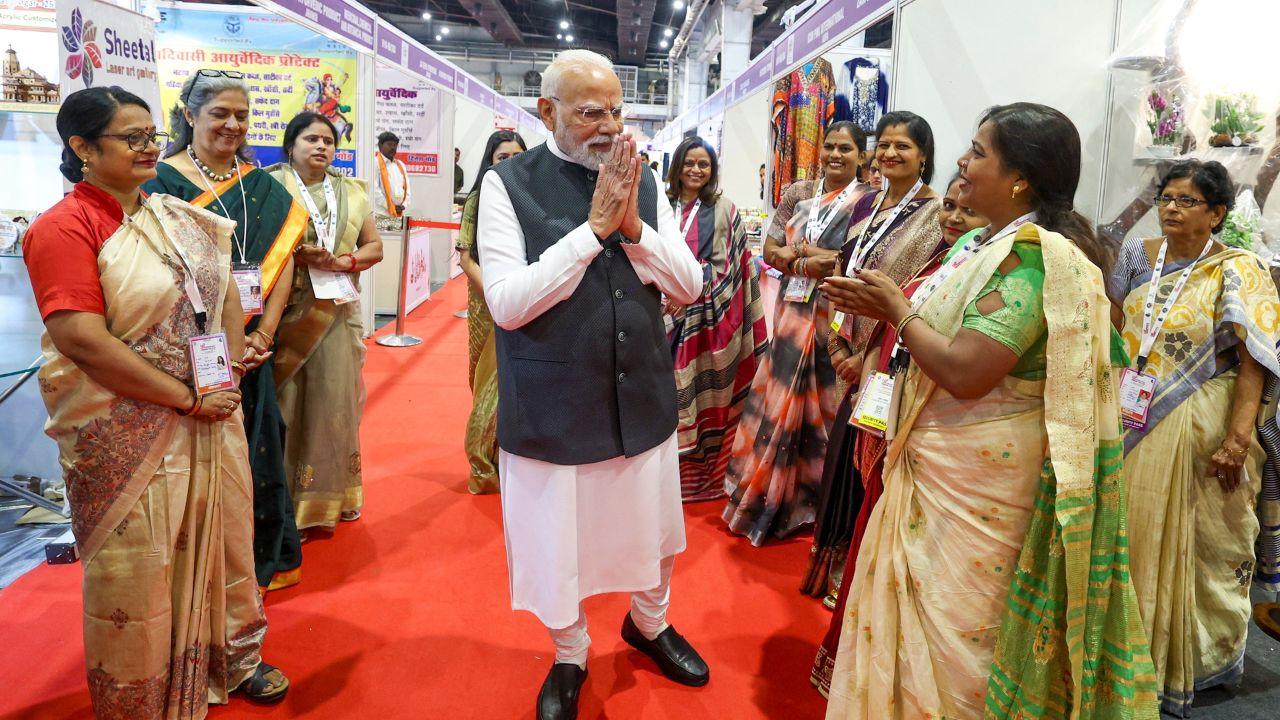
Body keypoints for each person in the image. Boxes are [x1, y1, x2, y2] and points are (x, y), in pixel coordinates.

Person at [820, 102, 1159, 719]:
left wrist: (898, 311)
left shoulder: (1034, 260)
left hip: (981, 488)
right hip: (944, 469)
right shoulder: (985, 244)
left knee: (963, 633)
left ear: (1020, 178)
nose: (961, 162)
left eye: (978, 152)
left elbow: (967, 371)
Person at [24, 86, 288, 716]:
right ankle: (140, 695)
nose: (149, 148)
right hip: (124, 426)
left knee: (221, 538)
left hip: (206, 414)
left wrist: (222, 378)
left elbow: (223, 293)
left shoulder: (174, 216)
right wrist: (183, 398)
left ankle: (229, 657)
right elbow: (81, 340)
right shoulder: (63, 227)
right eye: (131, 138)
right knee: (138, 563)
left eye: (151, 135)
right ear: (83, 148)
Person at [476, 49, 706, 720]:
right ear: (547, 110)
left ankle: (650, 623)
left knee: (654, 530)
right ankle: (570, 652)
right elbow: (507, 304)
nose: (608, 126)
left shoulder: (644, 179)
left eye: (616, 111)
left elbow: (688, 286)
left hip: (641, 393)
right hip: (553, 403)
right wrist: (591, 232)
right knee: (558, 547)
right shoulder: (507, 184)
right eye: (589, 112)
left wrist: (633, 229)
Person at [1108, 160, 1280, 717]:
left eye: (1187, 200)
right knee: (1131, 533)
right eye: (1166, 197)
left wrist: (1237, 439)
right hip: (1132, 414)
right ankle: (1127, 653)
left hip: (1204, 420)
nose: (1171, 208)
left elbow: (1255, 360)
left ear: (1217, 213)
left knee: (1202, 543)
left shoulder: (1238, 268)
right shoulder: (1138, 256)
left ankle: (1193, 659)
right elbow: (1114, 325)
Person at [809, 173, 987, 695]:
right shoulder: (936, 264)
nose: (954, 217)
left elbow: (944, 351)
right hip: (885, 406)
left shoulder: (982, 270)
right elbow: (888, 325)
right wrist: (859, 371)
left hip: (933, 434)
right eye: (949, 207)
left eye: (967, 210)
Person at [143, 69, 308, 592]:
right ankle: (196, 573)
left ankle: (253, 565)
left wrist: (262, 337)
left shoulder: (263, 186)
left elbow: (283, 264)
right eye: (219, 114)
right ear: (189, 115)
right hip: (183, 353)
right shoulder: (157, 183)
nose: (233, 125)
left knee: (257, 450)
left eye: (242, 115)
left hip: (252, 351)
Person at [802, 111, 945, 601]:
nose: (889, 153)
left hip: (891, 359)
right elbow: (843, 271)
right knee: (843, 461)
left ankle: (859, 579)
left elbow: (922, 292)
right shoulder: (867, 204)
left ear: (923, 155)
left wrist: (867, 356)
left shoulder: (937, 215)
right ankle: (838, 566)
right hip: (847, 347)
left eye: (902, 146)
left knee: (872, 466)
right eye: (883, 144)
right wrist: (839, 343)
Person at [722, 121, 869, 546]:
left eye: (846, 148)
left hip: (836, 317)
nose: (836, 155)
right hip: (791, 312)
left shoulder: (867, 202)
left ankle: (815, 498)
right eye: (830, 146)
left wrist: (800, 254)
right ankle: (771, 495)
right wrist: (808, 261)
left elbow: (851, 261)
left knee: (825, 403)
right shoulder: (798, 193)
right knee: (781, 397)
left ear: (861, 156)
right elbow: (770, 250)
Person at [266, 112, 383, 532]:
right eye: (311, 139)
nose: (321, 147)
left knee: (333, 404)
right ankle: (280, 501)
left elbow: (374, 247)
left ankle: (328, 500)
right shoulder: (269, 187)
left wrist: (342, 261)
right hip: (280, 313)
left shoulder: (351, 192)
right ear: (291, 145)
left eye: (328, 141)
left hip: (334, 313)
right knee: (286, 403)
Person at [664, 135, 768, 501]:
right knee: (662, 393)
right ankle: (661, 477)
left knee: (701, 395)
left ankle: (703, 479)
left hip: (707, 321)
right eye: (689, 163)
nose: (696, 170)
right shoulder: (661, 205)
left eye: (703, 165)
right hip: (660, 315)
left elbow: (731, 268)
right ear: (677, 166)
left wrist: (690, 294)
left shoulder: (725, 209)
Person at [457, 129, 527, 494]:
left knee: (520, 380)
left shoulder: (535, 196)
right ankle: (483, 463)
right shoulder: (479, 198)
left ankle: (512, 457)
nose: (511, 163)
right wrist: (500, 293)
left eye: (517, 156)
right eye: (503, 157)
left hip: (529, 298)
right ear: (490, 161)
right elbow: (465, 257)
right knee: (487, 380)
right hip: (489, 299)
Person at [372, 131, 410, 219]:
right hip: (381, 214)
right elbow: (374, 190)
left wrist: (404, 205)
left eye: (395, 145)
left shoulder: (400, 165)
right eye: (389, 144)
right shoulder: (375, 163)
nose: (393, 148)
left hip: (398, 214)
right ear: (380, 146)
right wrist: (390, 206)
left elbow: (407, 189)